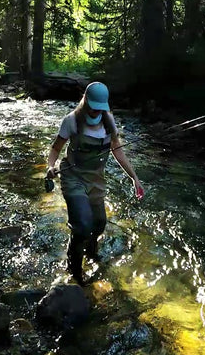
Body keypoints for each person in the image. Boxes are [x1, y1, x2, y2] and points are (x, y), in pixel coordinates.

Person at [46, 81, 144, 285]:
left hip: (96, 179)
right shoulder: (71, 121)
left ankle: (91, 252)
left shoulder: (109, 122)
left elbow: (117, 150)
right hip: (73, 177)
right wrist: (50, 166)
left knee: (99, 224)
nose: (96, 111)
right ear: (85, 102)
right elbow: (55, 148)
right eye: (93, 106)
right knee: (82, 226)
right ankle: (74, 270)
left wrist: (134, 177)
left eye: (100, 107)